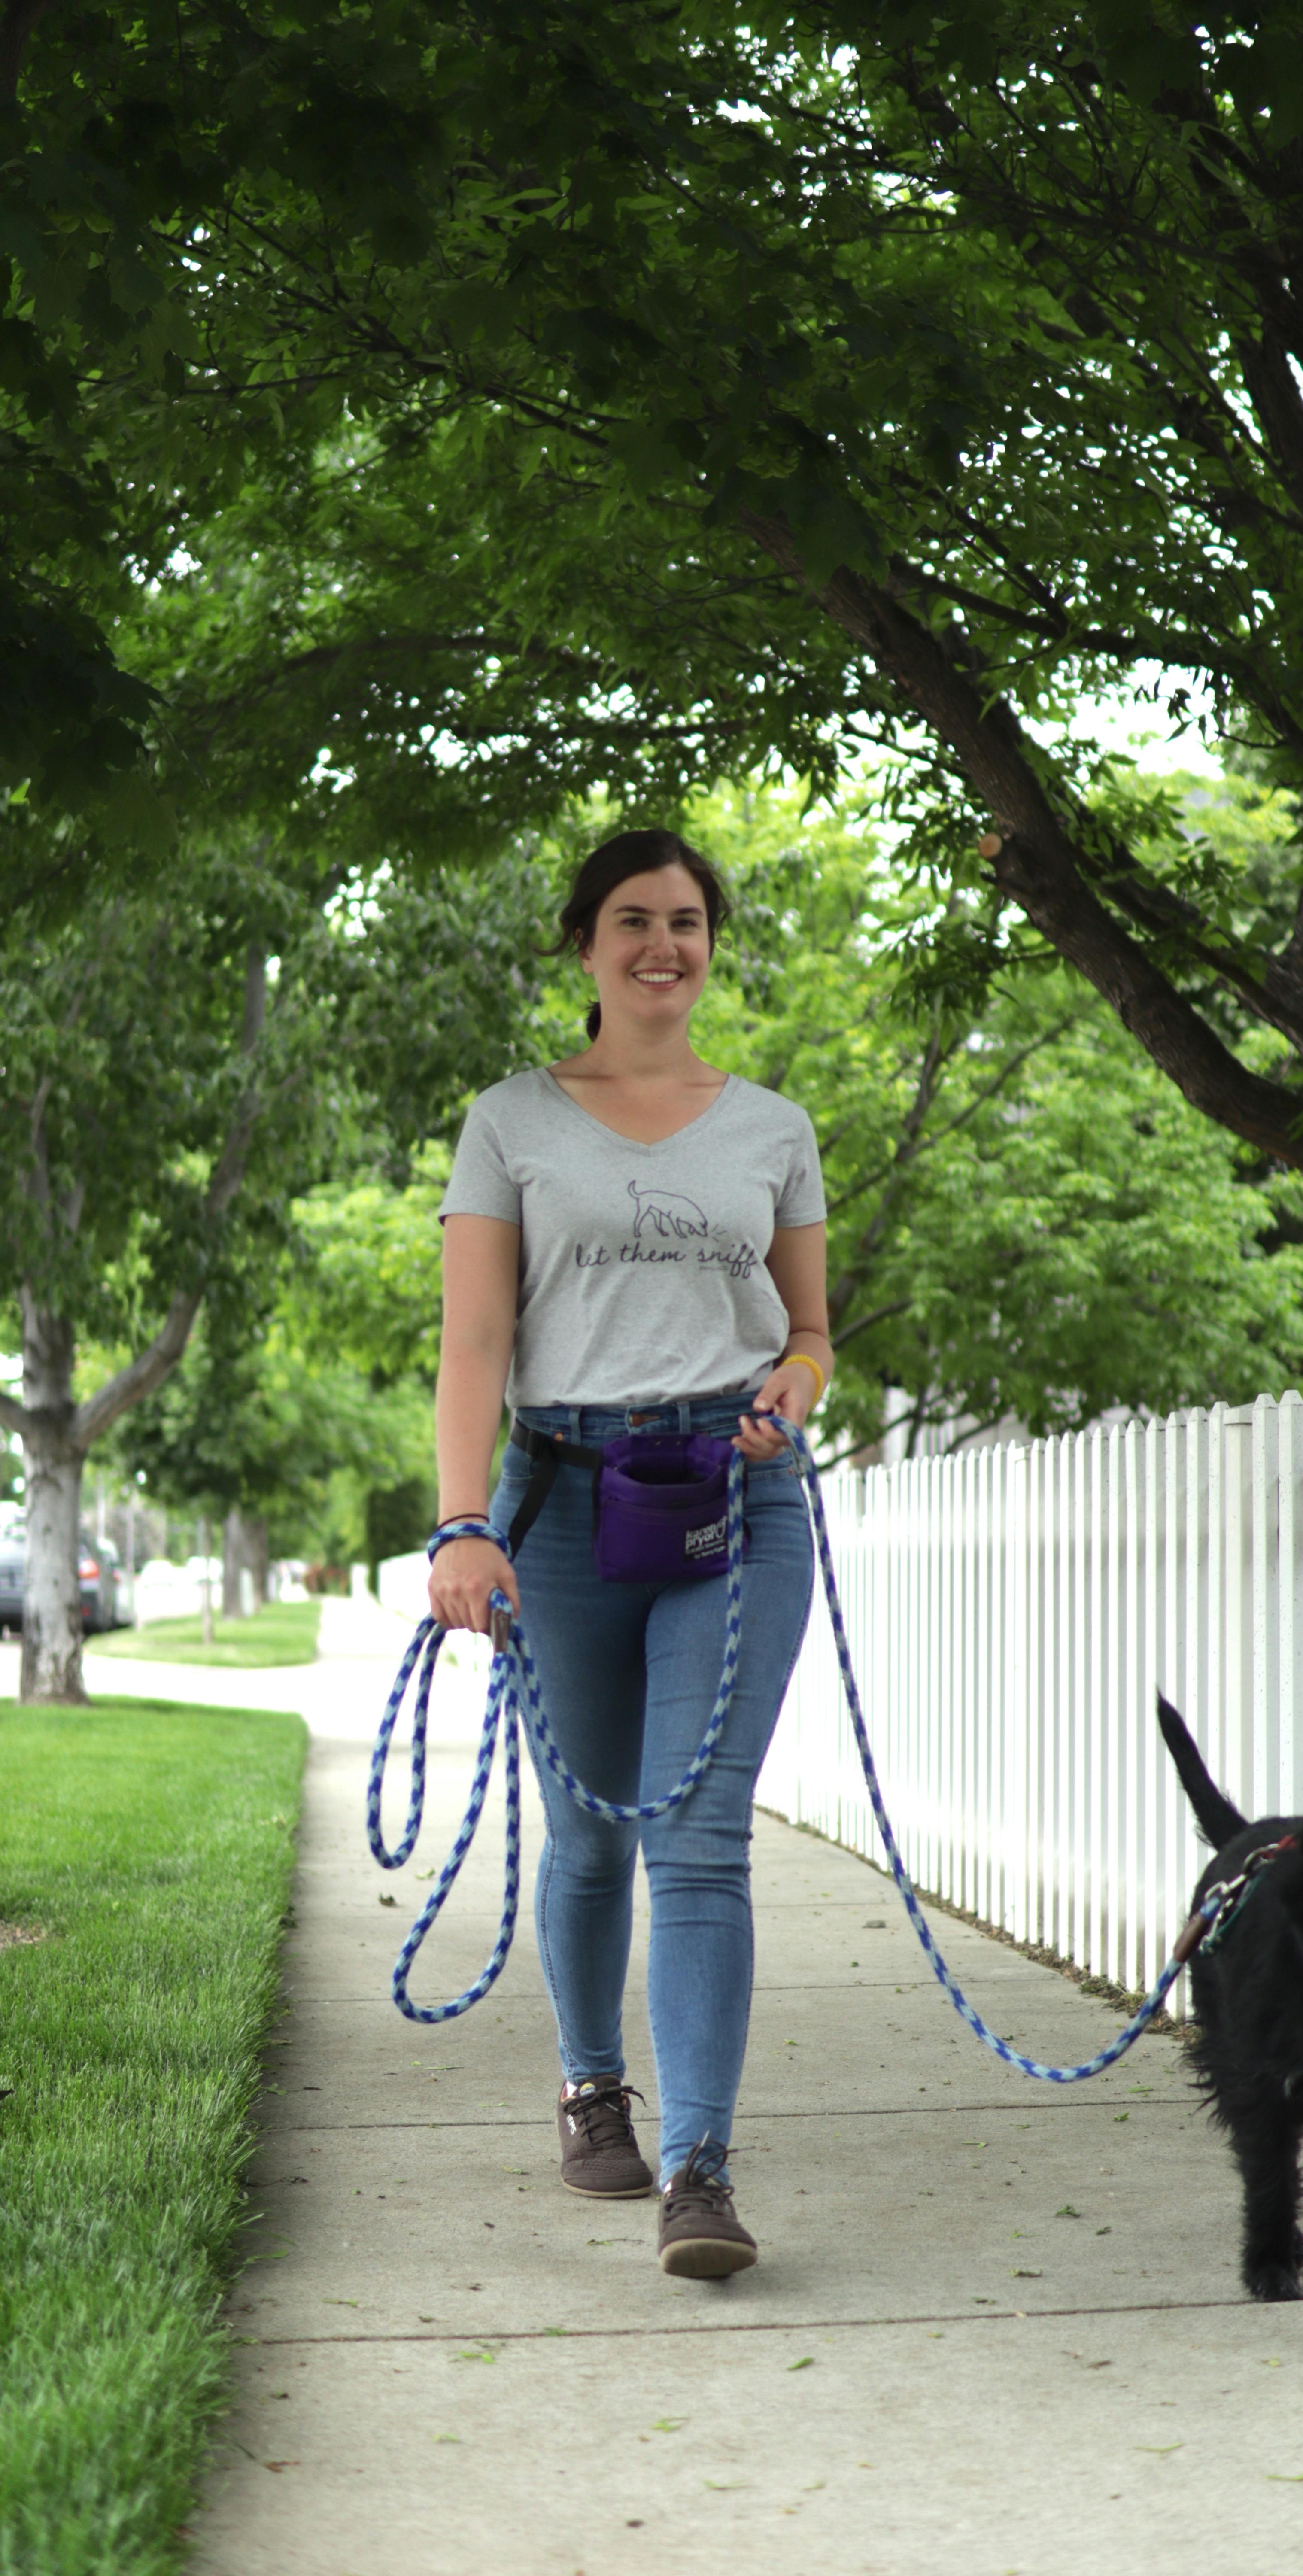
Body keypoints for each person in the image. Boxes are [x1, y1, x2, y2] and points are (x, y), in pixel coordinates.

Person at [429, 828, 831, 2279]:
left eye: (687, 920)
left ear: (711, 941)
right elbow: (476, 1339)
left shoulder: (773, 1128)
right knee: (592, 1828)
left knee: (701, 1840)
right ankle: (592, 2087)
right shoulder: (514, 1121)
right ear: (585, 944)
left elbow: (810, 1332)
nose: (664, 943)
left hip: (736, 1500)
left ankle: (700, 2171)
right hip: (564, 1499)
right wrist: (462, 1519)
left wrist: (795, 1385)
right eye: (632, 920)